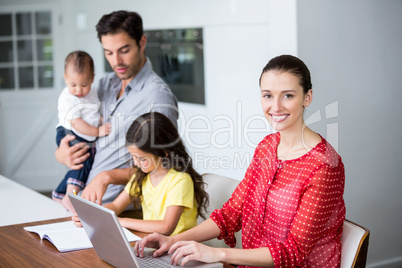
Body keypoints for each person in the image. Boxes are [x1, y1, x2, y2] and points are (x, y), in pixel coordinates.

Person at [134, 55, 346, 267]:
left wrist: (219, 254)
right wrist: (173, 240)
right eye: (268, 96)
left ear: (307, 97)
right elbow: (232, 213)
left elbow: (294, 252)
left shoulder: (325, 165)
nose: (276, 106)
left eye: (288, 95)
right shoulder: (267, 147)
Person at [55, 10, 178, 206]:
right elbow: (74, 125)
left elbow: (165, 166)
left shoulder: (156, 95)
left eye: (124, 50)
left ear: (142, 42)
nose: (116, 61)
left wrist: (107, 177)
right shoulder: (102, 85)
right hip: (81, 204)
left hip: (123, 213)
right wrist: (62, 155)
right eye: (109, 53)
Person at [73, 112, 209, 236]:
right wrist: (90, 215)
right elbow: (115, 206)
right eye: (133, 157)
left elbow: (166, 227)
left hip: (179, 251)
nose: (136, 163)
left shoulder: (180, 180)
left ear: (163, 152)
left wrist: (119, 221)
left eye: (142, 159)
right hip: (155, 245)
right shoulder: (142, 175)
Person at [54, 50, 111, 212]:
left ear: (92, 78)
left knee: (85, 163)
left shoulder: (93, 92)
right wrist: (98, 131)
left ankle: (60, 193)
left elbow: (91, 113)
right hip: (69, 131)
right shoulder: (68, 98)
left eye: (84, 84)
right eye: (73, 85)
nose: (78, 89)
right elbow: (77, 122)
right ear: (65, 78)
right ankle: (70, 197)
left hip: (85, 132)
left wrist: (100, 121)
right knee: (81, 163)